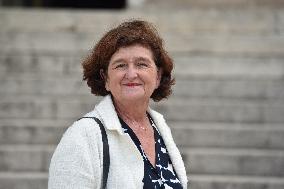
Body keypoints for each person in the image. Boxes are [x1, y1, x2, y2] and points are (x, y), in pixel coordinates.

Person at [48, 20, 188, 189]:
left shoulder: (160, 129)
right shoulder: (82, 137)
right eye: (120, 65)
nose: (131, 74)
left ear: (157, 77)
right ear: (106, 78)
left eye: (141, 64)